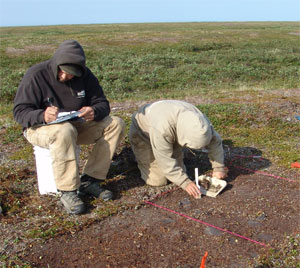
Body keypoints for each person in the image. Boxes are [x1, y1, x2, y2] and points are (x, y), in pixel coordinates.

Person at [13, 40, 125, 214]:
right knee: (64, 130)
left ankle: (90, 180)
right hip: (39, 129)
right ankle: (68, 191)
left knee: (115, 124)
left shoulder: (85, 75)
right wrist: (42, 115)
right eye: (65, 72)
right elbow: (19, 112)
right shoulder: (36, 75)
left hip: (75, 125)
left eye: (73, 74)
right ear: (57, 64)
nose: (68, 77)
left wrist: (93, 111)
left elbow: (102, 103)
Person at [129, 100, 226, 199]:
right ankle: (138, 158)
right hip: (143, 132)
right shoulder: (162, 128)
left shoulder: (201, 123)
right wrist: (185, 183)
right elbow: (164, 160)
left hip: (170, 129)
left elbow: (215, 142)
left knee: (179, 173)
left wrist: (219, 167)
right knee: (158, 181)